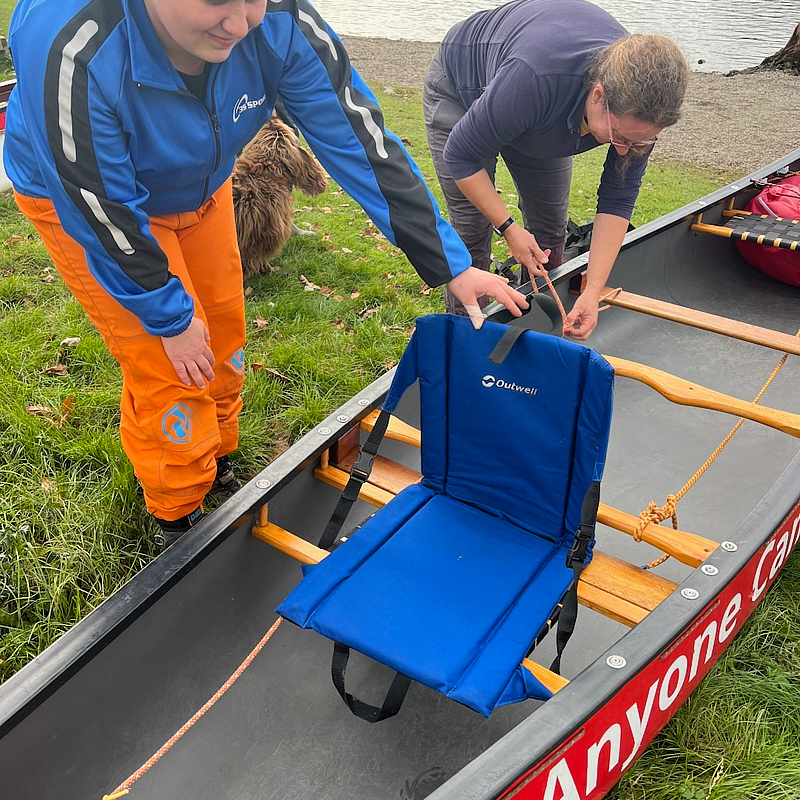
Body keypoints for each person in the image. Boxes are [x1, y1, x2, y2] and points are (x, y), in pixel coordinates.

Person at [4, 0, 529, 548]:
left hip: (200, 187)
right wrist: (166, 313)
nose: (240, 24)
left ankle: (219, 455)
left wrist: (450, 263)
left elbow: (357, 137)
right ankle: (176, 513)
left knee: (224, 331)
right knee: (170, 364)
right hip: (89, 201)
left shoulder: (278, 18)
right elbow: (99, 206)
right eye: (215, 2)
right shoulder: (72, 43)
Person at [423, 0, 689, 339]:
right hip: (462, 90)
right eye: (618, 136)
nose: (623, 148)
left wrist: (593, 291)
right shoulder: (536, 76)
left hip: (540, 117)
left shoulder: (640, 117)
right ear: (598, 95)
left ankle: (532, 332)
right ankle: (466, 344)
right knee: (473, 236)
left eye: (639, 141)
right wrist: (508, 228)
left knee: (549, 235)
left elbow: (617, 201)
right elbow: (460, 156)